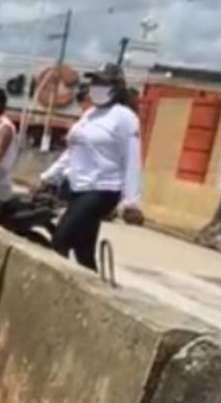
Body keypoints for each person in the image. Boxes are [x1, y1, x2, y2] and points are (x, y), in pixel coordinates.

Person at [39, 64, 145, 270]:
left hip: (103, 189)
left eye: (102, 83)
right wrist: (49, 177)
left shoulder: (124, 117)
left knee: (60, 240)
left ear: (116, 87)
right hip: (79, 187)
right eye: (94, 81)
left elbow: (132, 159)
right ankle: (95, 283)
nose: (96, 87)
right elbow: (73, 151)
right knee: (83, 251)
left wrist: (131, 202)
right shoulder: (90, 114)